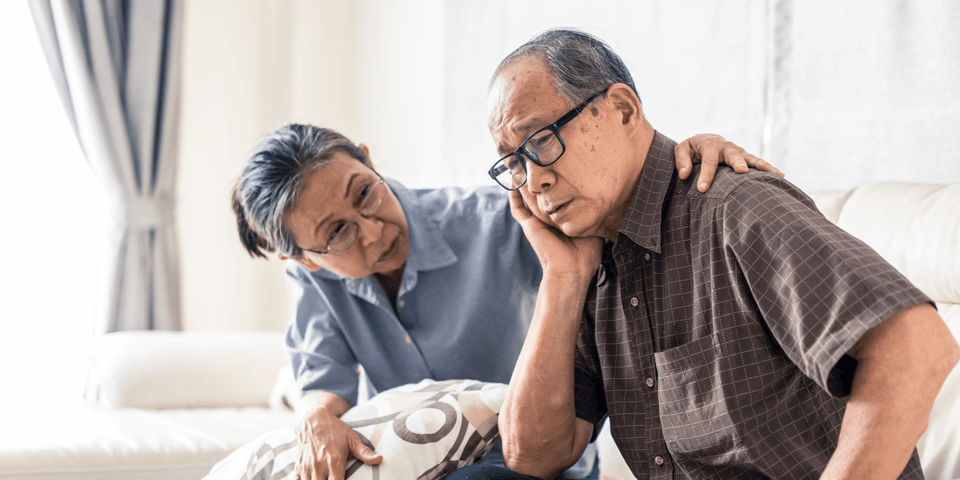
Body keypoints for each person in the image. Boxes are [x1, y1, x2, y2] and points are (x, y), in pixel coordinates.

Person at [482, 28, 960, 480]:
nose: (534, 178)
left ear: (623, 110)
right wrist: (561, 279)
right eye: (513, 162)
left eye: (541, 141)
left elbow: (918, 345)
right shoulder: (591, 258)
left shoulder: (734, 208)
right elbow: (531, 456)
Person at [230, 124, 776, 480]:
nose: (372, 231)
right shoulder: (317, 282)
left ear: (369, 160)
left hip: (532, 464)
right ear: (304, 260)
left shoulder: (501, 218)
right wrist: (317, 419)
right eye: (338, 235)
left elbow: (614, 194)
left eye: (366, 193)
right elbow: (323, 383)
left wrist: (691, 149)